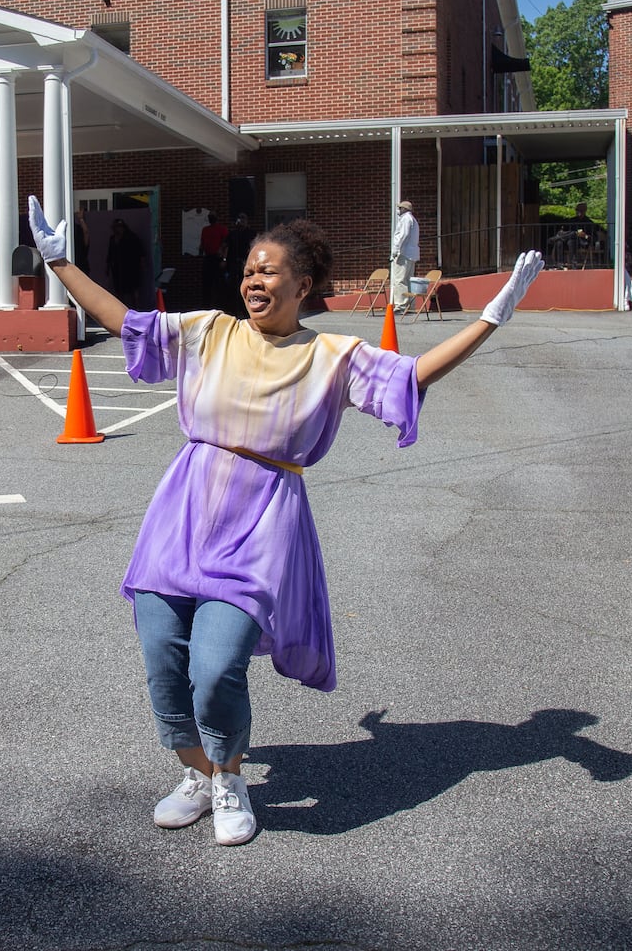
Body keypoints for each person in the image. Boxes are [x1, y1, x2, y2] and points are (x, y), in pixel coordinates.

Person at [27, 194, 544, 846]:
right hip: (180, 518)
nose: (252, 280)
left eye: (267, 271)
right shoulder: (209, 333)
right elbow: (126, 322)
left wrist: (493, 318)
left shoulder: (332, 357)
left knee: (215, 667)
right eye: (248, 270)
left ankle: (230, 776)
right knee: (163, 658)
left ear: (302, 284)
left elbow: (413, 376)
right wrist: (61, 263)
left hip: (259, 529)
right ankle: (195, 773)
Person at [106, 217, 146, 309]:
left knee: (133, 290)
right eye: (115, 227)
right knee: (119, 290)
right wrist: (107, 267)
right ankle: (122, 309)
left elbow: (141, 253)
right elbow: (110, 254)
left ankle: (136, 308)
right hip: (117, 268)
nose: (117, 229)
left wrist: (142, 266)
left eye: (119, 227)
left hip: (131, 268)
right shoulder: (112, 239)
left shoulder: (132, 237)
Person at [222, 213, 255, 318]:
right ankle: (233, 312)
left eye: (243, 219)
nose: (241, 221)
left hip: (246, 264)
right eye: (239, 219)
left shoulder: (251, 233)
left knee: (246, 287)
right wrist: (224, 259)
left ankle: (246, 312)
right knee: (233, 288)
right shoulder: (233, 234)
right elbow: (225, 247)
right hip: (233, 264)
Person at [390, 199, 420, 314]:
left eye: (400, 208)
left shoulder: (405, 219)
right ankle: (410, 305)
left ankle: (401, 305)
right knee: (408, 280)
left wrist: (396, 250)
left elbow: (402, 236)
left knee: (400, 280)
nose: (398, 210)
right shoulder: (413, 220)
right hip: (411, 254)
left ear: (405, 209)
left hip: (403, 253)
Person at [199, 211, 230, 309]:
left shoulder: (222, 229)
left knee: (219, 285)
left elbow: (226, 246)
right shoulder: (205, 230)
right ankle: (206, 307)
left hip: (218, 259)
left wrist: (224, 259)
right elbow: (202, 244)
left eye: (212, 216)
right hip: (208, 258)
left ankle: (221, 307)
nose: (210, 218)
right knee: (206, 285)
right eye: (209, 216)